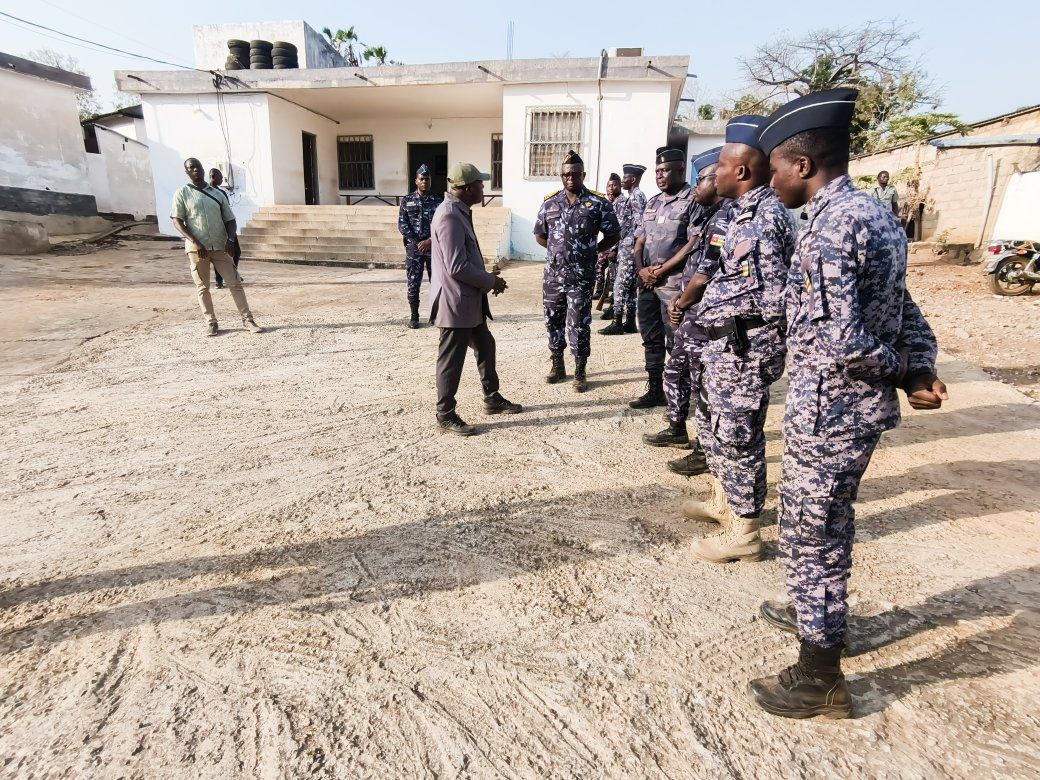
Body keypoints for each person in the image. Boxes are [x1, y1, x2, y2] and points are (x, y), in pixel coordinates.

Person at [747, 89, 946, 719]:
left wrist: (901, 371)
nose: (771, 179)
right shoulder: (875, 215)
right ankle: (817, 614)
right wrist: (919, 365)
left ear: (803, 165)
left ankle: (820, 675)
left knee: (814, 533)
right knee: (825, 527)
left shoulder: (831, 227)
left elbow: (839, 340)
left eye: (776, 167)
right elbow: (902, 305)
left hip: (830, 413)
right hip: (845, 413)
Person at [683, 117, 794, 563]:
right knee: (714, 427)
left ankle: (745, 530)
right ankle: (724, 502)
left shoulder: (765, 218)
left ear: (742, 171)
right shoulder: (742, 214)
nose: (715, 177)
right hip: (725, 346)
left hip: (744, 349)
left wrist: (752, 337)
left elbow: (775, 297)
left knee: (738, 436)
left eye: (721, 169)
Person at [643, 147, 735, 466]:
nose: (697, 187)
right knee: (676, 370)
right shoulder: (710, 215)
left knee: (701, 383)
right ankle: (677, 427)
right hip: (690, 314)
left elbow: (704, 275)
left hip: (702, 315)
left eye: (701, 180)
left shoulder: (725, 220)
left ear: (717, 180)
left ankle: (704, 449)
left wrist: (679, 304)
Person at [430, 162, 522, 435]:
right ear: (469, 188)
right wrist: (490, 281)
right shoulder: (449, 215)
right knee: (451, 360)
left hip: (468, 301)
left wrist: (486, 277)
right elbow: (456, 267)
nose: (484, 188)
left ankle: (491, 397)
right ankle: (445, 414)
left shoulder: (459, 211)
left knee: (485, 345)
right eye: (481, 184)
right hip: (455, 304)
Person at [533, 150, 621, 392]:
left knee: (579, 323)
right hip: (553, 276)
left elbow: (614, 233)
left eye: (575, 174)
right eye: (566, 174)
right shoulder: (549, 203)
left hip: (581, 277)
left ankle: (580, 370)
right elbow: (540, 235)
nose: (571, 178)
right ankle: (557, 365)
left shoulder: (598, 203)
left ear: (583, 174)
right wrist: (557, 251)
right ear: (561, 176)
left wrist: (593, 250)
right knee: (553, 319)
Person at [627, 148, 703, 408]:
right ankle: (655, 390)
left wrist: (660, 270)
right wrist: (641, 269)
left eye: (665, 170)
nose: (660, 176)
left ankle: (678, 399)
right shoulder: (652, 202)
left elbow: (693, 242)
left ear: (680, 170)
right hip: (647, 283)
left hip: (674, 285)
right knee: (650, 337)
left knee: (677, 342)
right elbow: (640, 239)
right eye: (657, 171)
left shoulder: (693, 200)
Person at [172, 158, 262, 336]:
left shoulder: (217, 193)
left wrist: (230, 239)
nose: (195, 170)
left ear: (202, 169)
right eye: (191, 168)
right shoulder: (182, 193)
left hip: (220, 246)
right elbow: (177, 221)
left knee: (234, 283)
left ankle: (248, 320)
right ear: (186, 172)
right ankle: (211, 322)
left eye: (198, 166)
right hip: (197, 249)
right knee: (203, 287)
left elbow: (230, 219)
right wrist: (195, 242)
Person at [600, 163, 647, 336]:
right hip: (628, 246)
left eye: (625, 178)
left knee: (620, 283)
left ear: (633, 179)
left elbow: (641, 224)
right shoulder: (633, 195)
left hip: (630, 247)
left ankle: (617, 322)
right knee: (630, 286)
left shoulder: (636, 196)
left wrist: (632, 245)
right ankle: (630, 322)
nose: (623, 181)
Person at [398, 164, 444, 329]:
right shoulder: (407, 200)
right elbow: (403, 225)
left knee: (437, 282)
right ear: (416, 181)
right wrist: (418, 242)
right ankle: (414, 316)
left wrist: (429, 241)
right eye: (422, 179)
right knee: (413, 283)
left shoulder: (439, 201)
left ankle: (437, 315)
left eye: (427, 179)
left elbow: (443, 225)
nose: (425, 182)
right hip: (414, 249)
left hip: (434, 248)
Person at [208, 168, 242, 290]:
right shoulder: (208, 193)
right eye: (220, 177)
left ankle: (232, 274)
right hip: (219, 227)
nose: (222, 180)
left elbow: (227, 211)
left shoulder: (220, 192)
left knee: (236, 251)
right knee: (219, 254)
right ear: (213, 177)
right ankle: (220, 280)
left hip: (227, 225)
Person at [594, 173, 622, 309]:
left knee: (614, 273)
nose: (611, 188)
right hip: (608, 244)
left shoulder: (622, 203)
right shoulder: (606, 202)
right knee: (599, 263)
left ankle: (613, 298)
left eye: (614, 185)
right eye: (609, 185)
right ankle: (600, 290)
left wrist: (615, 248)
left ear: (620, 186)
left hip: (618, 244)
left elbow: (621, 229)